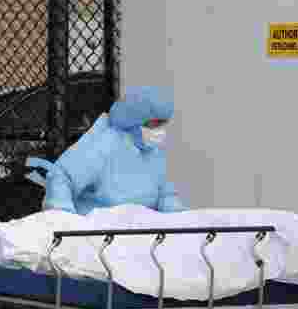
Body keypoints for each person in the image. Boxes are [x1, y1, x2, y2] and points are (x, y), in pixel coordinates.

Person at [27, 85, 187, 215]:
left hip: (139, 241)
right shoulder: (104, 146)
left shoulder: (154, 153)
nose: (159, 130)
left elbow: (166, 195)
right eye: (154, 124)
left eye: (162, 124)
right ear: (135, 119)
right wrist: (63, 220)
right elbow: (61, 176)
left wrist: (177, 222)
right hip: (97, 241)